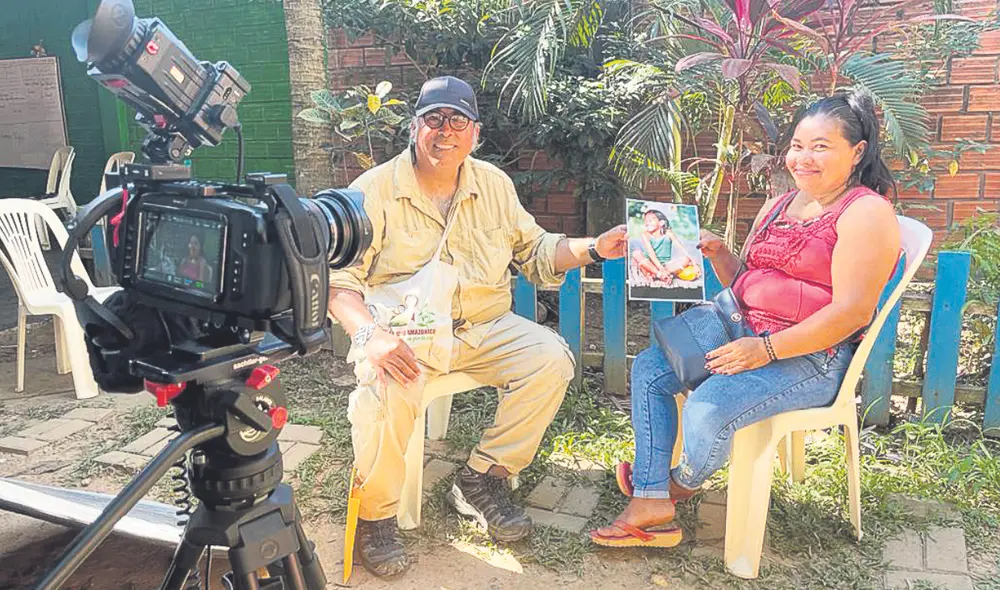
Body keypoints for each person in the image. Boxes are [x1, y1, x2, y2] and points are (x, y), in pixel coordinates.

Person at [327, 75, 628, 578]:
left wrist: (595, 246)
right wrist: (369, 335)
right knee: (383, 390)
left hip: (485, 325)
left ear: (475, 133)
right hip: (407, 334)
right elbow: (340, 282)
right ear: (415, 126)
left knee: (549, 359)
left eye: (457, 121)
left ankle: (482, 476)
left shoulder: (494, 184)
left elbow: (536, 253)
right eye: (434, 119)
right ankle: (377, 516)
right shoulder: (373, 191)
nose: (445, 131)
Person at [591, 90, 901, 547]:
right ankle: (652, 497)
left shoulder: (866, 213)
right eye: (797, 145)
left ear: (856, 153)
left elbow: (854, 312)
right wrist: (721, 256)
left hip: (811, 355)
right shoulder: (781, 203)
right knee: (652, 369)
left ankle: (680, 483)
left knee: (707, 406)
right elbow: (750, 281)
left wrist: (766, 350)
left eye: (821, 146)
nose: (803, 158)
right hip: (743, 327)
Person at [631, 208, 697, 284]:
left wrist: (694, 263)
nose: (647, 223)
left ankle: (655, 274)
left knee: (686, 259)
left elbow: (681, 248)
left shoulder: (668, 233)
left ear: (661, 222)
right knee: (636, 253)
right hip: (650, 263)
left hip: (666, 264)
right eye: (645, 221)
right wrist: (661, 270)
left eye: (650, 220)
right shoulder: (645, 234)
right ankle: (660, 275)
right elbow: (651, 254)